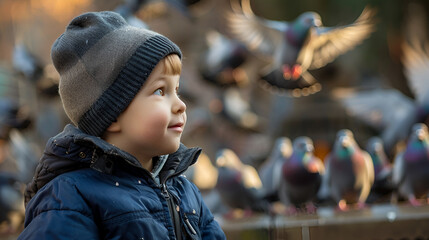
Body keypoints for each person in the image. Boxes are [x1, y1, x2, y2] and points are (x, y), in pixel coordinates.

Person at [17, 11, 226, 240]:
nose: (181, 105)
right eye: (160, 91)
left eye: (177, 90)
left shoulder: (184, 191)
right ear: (113, 114)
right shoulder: (68, 198)